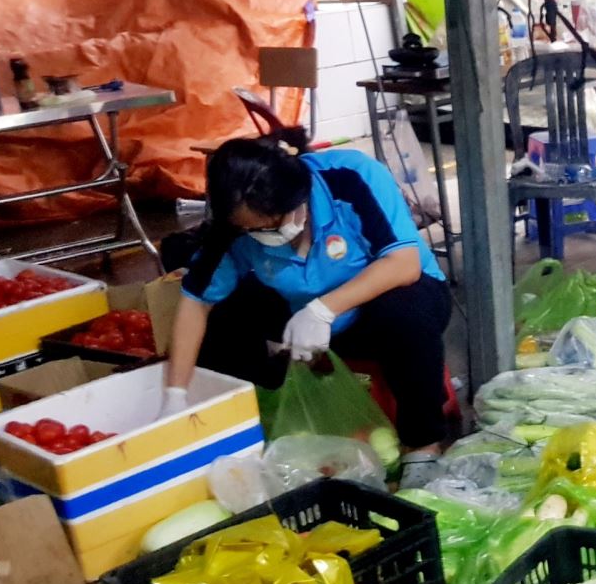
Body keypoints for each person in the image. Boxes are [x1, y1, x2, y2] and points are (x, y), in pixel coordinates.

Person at [165, 129, 451, 477]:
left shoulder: (349, 178)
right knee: (222, 316)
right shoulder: (234, 229)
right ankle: (256, 419)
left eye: (274, 223)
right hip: (300, 317)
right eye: (252, 230)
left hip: (383, 307)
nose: (266, 235)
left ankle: (422, 445)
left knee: (404, 312)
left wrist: (323, 310)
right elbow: (195, 300)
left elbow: (403, 263)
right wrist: (175, 395)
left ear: (298, 196)